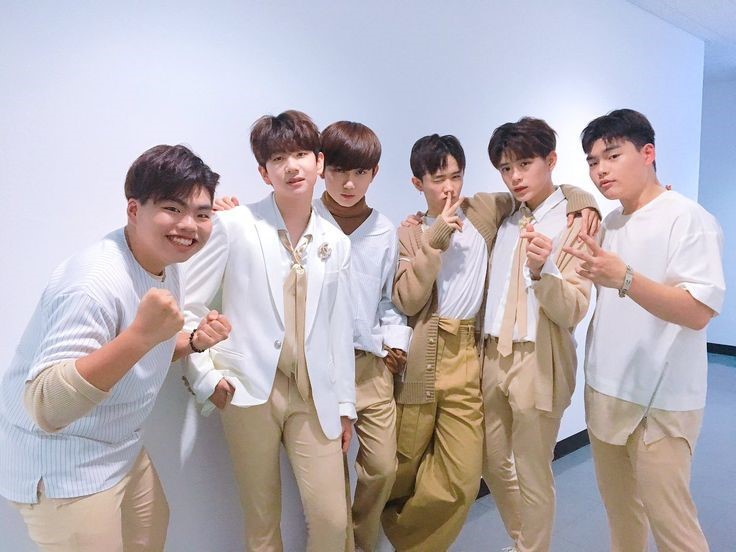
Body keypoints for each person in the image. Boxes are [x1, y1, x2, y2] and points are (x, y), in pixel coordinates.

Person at [0, 144, 229, 552]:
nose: (189, 225)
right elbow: (45, 405)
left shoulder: (163, 261)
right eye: (172, 208)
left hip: (120, 447)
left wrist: (192, 342)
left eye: (201, 214)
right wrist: (140, 335)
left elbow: (142, 353)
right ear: (134, 209)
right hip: (62, 463)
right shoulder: (93, 282)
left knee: (151, 533)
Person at [382, 133, 597, 552]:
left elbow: (541, 191)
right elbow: (407, 300)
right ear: (417, 183)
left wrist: (583, 199)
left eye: (456, 176)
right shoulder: (409, 232)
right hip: (427, 355)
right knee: (405, 464)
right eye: (438, 179)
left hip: (473, 352)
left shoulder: (483, 210)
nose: (449, 188)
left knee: (470, 474)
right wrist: (433, 239)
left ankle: (515, 545)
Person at [181, 110, 355, 551]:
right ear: (264, 172)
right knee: (261, 521)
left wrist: (345, 404)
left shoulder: (336, 242)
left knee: (333, 519)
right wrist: (207, 380)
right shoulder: (234, 226)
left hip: (313, 391)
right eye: (278, 159)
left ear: (319, 162)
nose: (291, 167)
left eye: (301, 154)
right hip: (248, 389)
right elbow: (188, 308)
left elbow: (338, 328)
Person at [565, 108, 725, 552]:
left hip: (661, 401)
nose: (600, 170)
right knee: (621, 517)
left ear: (648, 153)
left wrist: (626, 278)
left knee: (674, 529)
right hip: (606, 390)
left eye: (612, 156)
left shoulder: (687, 218)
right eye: (593, 161)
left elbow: (698, 311)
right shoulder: (611, 222)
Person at [482, 117, 596, 552]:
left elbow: (573, 309)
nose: (515, 176)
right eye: (505, 168)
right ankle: (523, 540)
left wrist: (543, 268)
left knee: (532, 470)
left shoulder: (576, 222)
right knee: (491, 459)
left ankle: (532, 547)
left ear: (551, 160)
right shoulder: (506, 217)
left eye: (524, 164)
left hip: (539, 359)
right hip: (493, 355)